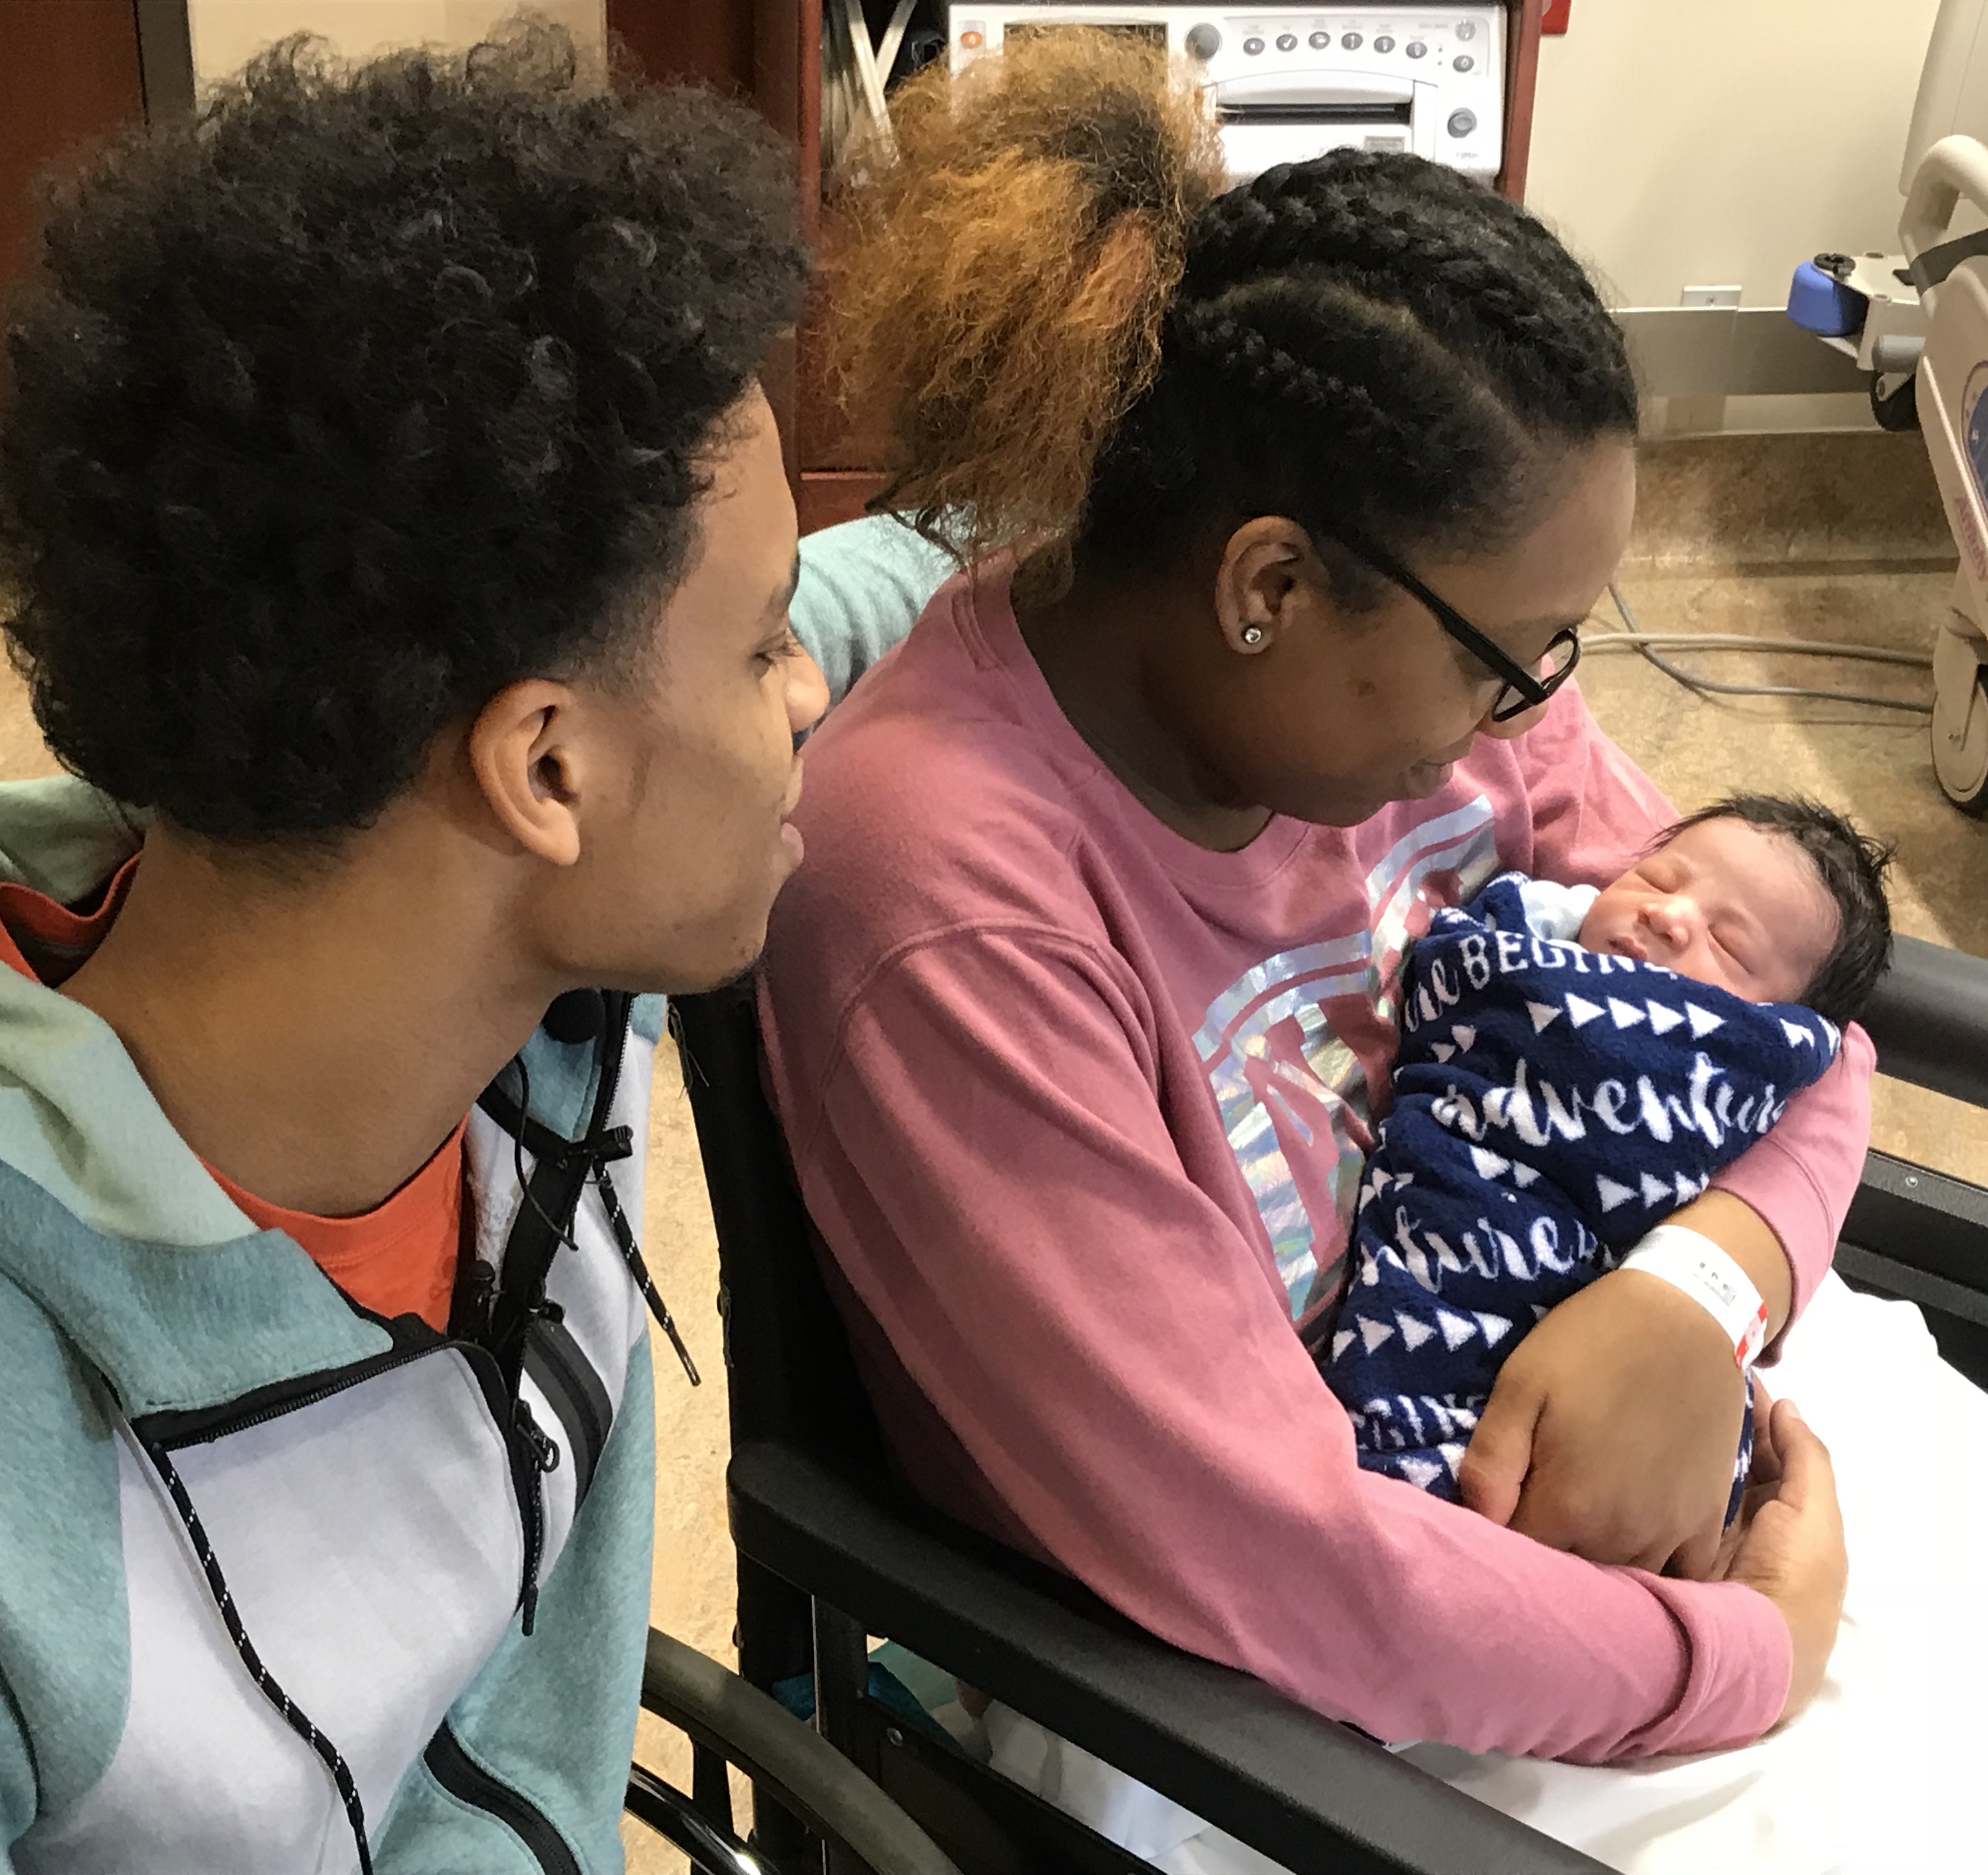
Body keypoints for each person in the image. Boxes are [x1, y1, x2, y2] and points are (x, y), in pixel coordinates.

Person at [756, 24, 1870, 1820]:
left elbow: (1791, 1037)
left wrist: (1692, 1290)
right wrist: (1748, 1655)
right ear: (1268, 584)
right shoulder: (948, 906)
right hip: (1267, 1715)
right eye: (1513, 656)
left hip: (1603, 1476)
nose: (1542, 714)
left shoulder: (1437, 711)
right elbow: (1274, 1560)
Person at [0, 26, 827, 1873]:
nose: (814, 684)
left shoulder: (480, 946)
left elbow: (904, 576)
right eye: (768, 641)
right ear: (544, 766)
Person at [1326, 795, 1893, 1504]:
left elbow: (1838, 1067)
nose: (1667, 913)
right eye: (1656, 880)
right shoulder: (1508, 945)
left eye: (1731, 945)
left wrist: (1699, 1293)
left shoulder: (1751, 1056)